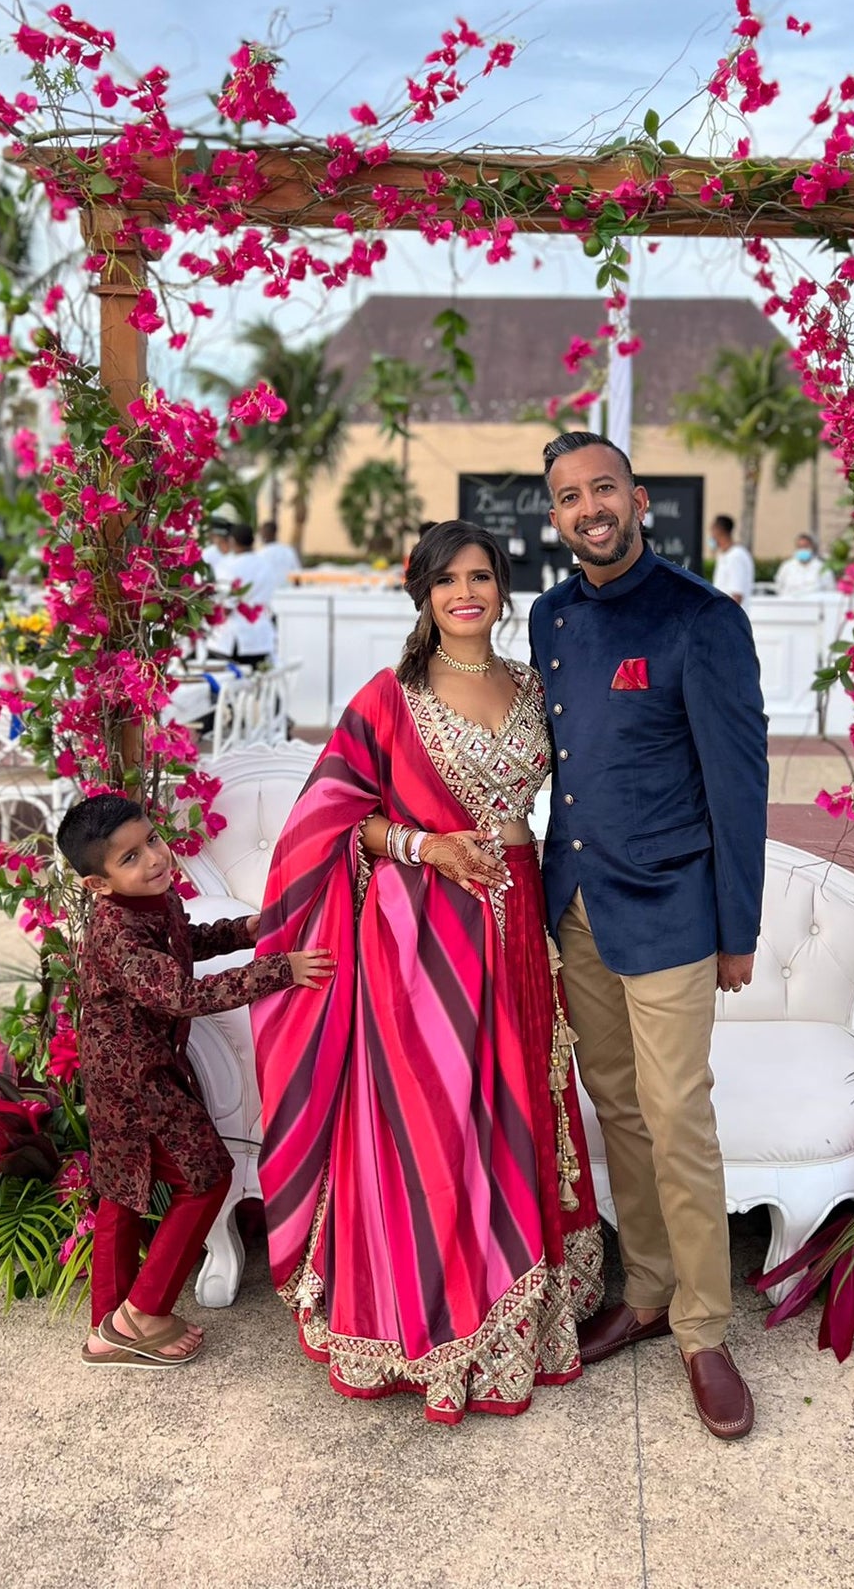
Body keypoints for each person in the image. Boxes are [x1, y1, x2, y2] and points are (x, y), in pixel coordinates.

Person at [253, 519, 603, 1425]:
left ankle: (513, 1311)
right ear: (422, 591)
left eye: (481, 575)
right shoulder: (388, 696)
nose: (465, 592)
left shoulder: (536, 686)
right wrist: (423, 844)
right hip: (420, 937)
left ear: (502, 586)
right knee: (433, 1116)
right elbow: (327, 820)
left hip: (519, 923)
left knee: (515, 1106)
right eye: (446, 578)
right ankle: (423, 1313)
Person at [531, 433, 769, 1441]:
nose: (588, 507)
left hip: (672, 903)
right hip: (575, 899)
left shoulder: (701, 618)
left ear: (635, 496)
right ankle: (648, 1288)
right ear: (555, 516)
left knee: (676, 1114)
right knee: (615, 1104)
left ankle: (705, 1329)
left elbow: (738, 781)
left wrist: (736, 926)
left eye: (602, 488)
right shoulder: (547, 617)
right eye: (567, 496)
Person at [59, 793, 329, 1368]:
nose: (153, 859)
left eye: (151, 841)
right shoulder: (118, 934)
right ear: (97, 886)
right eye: (129, 858)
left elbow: (187, 944)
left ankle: (107, 1327)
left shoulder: (155, 902)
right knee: (205, 1177)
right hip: (138, 1081)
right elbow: (183, 995)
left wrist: (249, 929)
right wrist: (280, 970)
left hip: (129, 1069)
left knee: (118, 1190)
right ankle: (145, 1313)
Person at [207, 523, 279, 665]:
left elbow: (226, 605)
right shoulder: (266, 565)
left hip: (231, 641)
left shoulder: (227, 566)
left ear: (232, 541)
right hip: (261, 638)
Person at [709, 513, 755, 605]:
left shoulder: (736, 556)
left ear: (718, 531)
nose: (711, 536)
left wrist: (725, 617)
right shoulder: (724, 555)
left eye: (712, 531)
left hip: (731, 617)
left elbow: (737, 595)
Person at [773, 531, 836, 596]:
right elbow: (779, 586)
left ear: (812, 548)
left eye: (805, 547)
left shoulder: (821, 567)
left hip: (814, 604)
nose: (803, 549)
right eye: (800, 547)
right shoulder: (787, 566)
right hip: (791, 603)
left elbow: (830, 589)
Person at [257, 519, 302, 584]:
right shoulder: (288, 550)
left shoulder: (260, 554)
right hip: (289, 591)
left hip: (270, 591)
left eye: (262, 533)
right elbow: (297, 573)